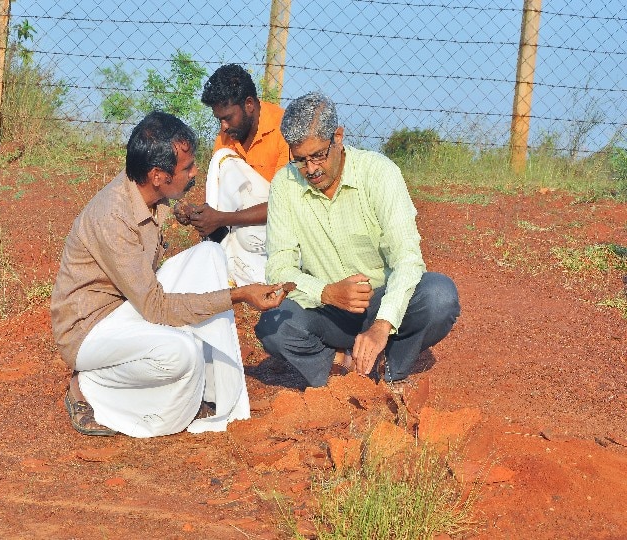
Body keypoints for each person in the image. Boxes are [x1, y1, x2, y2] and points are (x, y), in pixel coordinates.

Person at [51, 111, 288, 438]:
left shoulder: (144, 191)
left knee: (209, 254)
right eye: (187, 168)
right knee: (181, 353)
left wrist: (181, 212)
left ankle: (212, 391)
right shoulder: (112, 217)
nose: (194, 173)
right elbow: (156, 307)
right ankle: (90, 385)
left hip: (126, 308)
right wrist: (240, 295)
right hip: (89, 330)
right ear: (158, 176)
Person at [255, 92, 460, 389]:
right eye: (300, 159)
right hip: (327, 314)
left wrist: (382, 324)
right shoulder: (284, 186)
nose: (310, 169)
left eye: (318, 155)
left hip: (380, 303)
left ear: (338, 137)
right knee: (273, 326)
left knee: (439, 296)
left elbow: (407, 258)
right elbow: (278, 268)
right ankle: (341, 363)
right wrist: (326, 292)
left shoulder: (379, 173)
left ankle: (390, 366)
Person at [174, 64, 289, 286]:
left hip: (282, 229)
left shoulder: (282, 127)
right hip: (250, 231)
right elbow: (223, 199)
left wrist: (220, 219)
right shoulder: (228, 134)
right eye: (219, 120)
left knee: (222, 158)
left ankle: (217, 254)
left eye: (227, 118)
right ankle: (226, 265)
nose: (224, 127)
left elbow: (284, 207)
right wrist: (197, 213)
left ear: (249, 104)